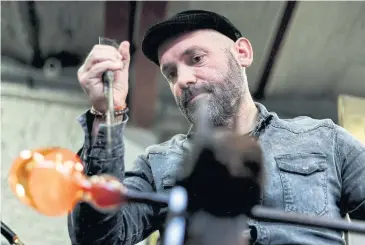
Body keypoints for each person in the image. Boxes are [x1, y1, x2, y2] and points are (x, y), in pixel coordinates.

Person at [68, 10, 365, 245]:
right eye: (170, 73)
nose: (182, 80)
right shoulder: (157, 164)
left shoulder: (324, 140)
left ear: (242, 53)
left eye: (196, 59)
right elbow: (97, 238)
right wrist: (106, 113)